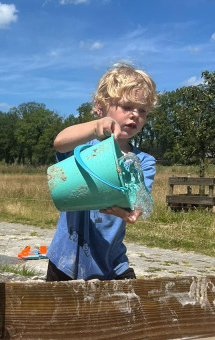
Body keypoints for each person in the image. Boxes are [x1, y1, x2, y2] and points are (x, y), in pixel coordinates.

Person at [46, 63, 157, 281]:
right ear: (100, 107)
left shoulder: (143, 161)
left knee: (126, 312)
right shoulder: (84, 149)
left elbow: (140, 200)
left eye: (142, 110)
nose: (135, 115)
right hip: (65, 260)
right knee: (59, 314)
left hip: (112, 262)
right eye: (127, 107)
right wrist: (97, 127)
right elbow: (59, 143)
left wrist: (133, 212)